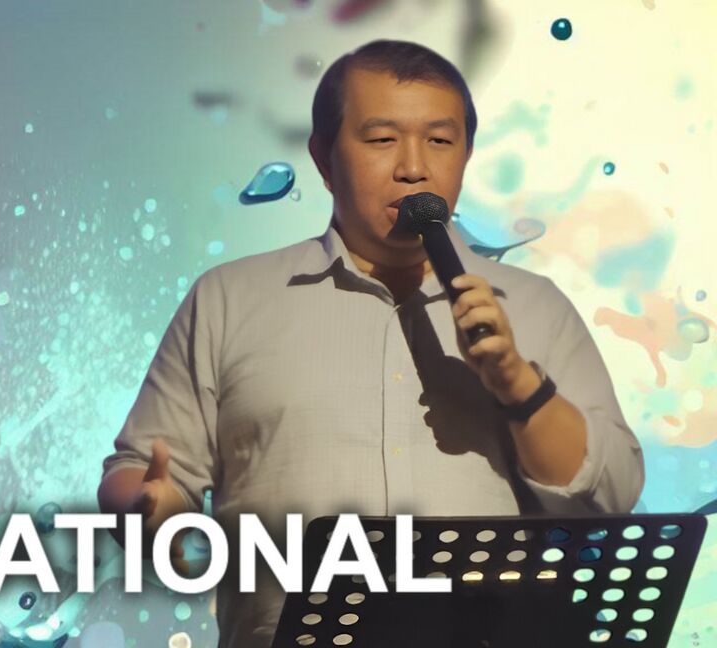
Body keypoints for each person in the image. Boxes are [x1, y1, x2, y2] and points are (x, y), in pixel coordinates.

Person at [98, 39, 644, 647]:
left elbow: (611, 497)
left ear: (466, 154)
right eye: (382, 139)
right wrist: (147, 510)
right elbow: (140, 472)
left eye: (440, 141)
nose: (414, 167)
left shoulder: (536, 306)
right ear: (324, 158)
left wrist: (520, 385)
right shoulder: (229, 298)